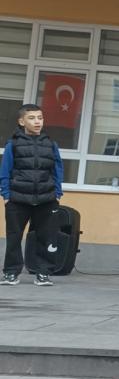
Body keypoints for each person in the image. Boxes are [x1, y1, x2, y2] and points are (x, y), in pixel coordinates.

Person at [0, 104, 63, 287]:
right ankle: (11, 273)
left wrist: (57, 193)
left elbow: (58, 169)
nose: (37, 122)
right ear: (22, 122)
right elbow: (5, 171)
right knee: (14, 238)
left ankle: (43, 273)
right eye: (32, 118)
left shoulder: (51, 145)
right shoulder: (13, 144)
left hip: (46, 199)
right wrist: (6, 195)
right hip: (17, 199)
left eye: (40, 118)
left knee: (46, 237)